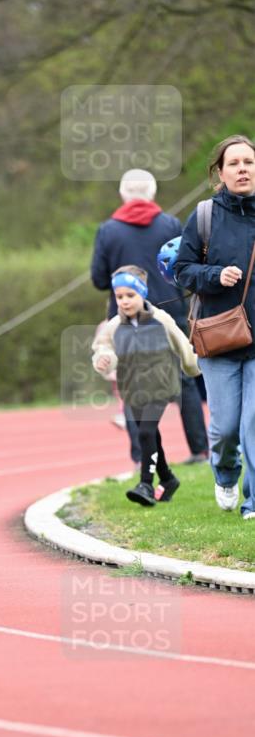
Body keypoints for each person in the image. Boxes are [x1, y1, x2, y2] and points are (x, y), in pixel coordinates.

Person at [91, 169, 209, 464]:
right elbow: (183, 267)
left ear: (122, 194)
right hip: (170, 310)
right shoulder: (170, 225)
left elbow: (99, 279)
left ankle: (143, 458)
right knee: (185, 381)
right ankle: (199, 450)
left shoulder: (108, 231)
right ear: (153, 193)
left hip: (126, 317)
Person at [176, 134, 255, 519]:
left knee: (254, 427)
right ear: (220, 173)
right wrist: (215, 276)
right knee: (225, 430)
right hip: (220, 338)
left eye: (249, 162)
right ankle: (225, 474)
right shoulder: (206, 215)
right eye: (235, 163)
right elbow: (182, 270)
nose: (243, 169)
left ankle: (253, 502)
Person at [92, 266, 201, 507]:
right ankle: (169, 479)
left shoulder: (161, 319)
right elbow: (103, 348)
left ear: (142, 293)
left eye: (130, 296)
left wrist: (193, 368)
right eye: (119, 297)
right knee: (150, 435)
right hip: (132, 388)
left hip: (161, 386)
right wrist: (103, 359)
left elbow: (182, 344)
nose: (124, 301)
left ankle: (146, 485)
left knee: (145, 433)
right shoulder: (114, 326)